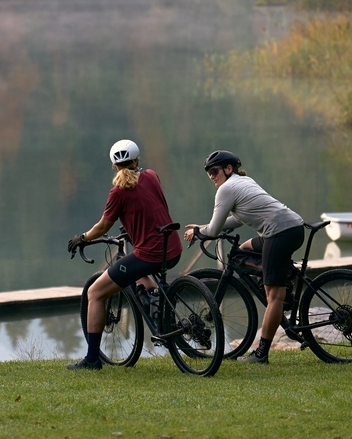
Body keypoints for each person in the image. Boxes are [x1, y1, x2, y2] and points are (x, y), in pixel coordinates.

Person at [66, 139, 182, 370]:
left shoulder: (118, 192)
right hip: (173, 248)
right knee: (137, 268)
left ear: (113, 165)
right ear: (138, 160)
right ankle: (155, 299)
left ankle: (91, 360)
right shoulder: (151, 175)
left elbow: (102, 227)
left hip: (149, 254)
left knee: (95, 292)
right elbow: (149, 205)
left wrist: (83, 238)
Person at [183, 150, 304, 364]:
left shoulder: (226, 188)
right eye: (208, 173)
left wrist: (200, 232)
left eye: (214, 171)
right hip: (292, 228)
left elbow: (213, 232)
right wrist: (204, 227)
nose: (211, 176)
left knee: (272, 296)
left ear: (229, 169)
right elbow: (236, 220)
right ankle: (281, 281)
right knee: (247, 247)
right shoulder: (243, 182)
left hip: (279, 233)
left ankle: (261, 354)